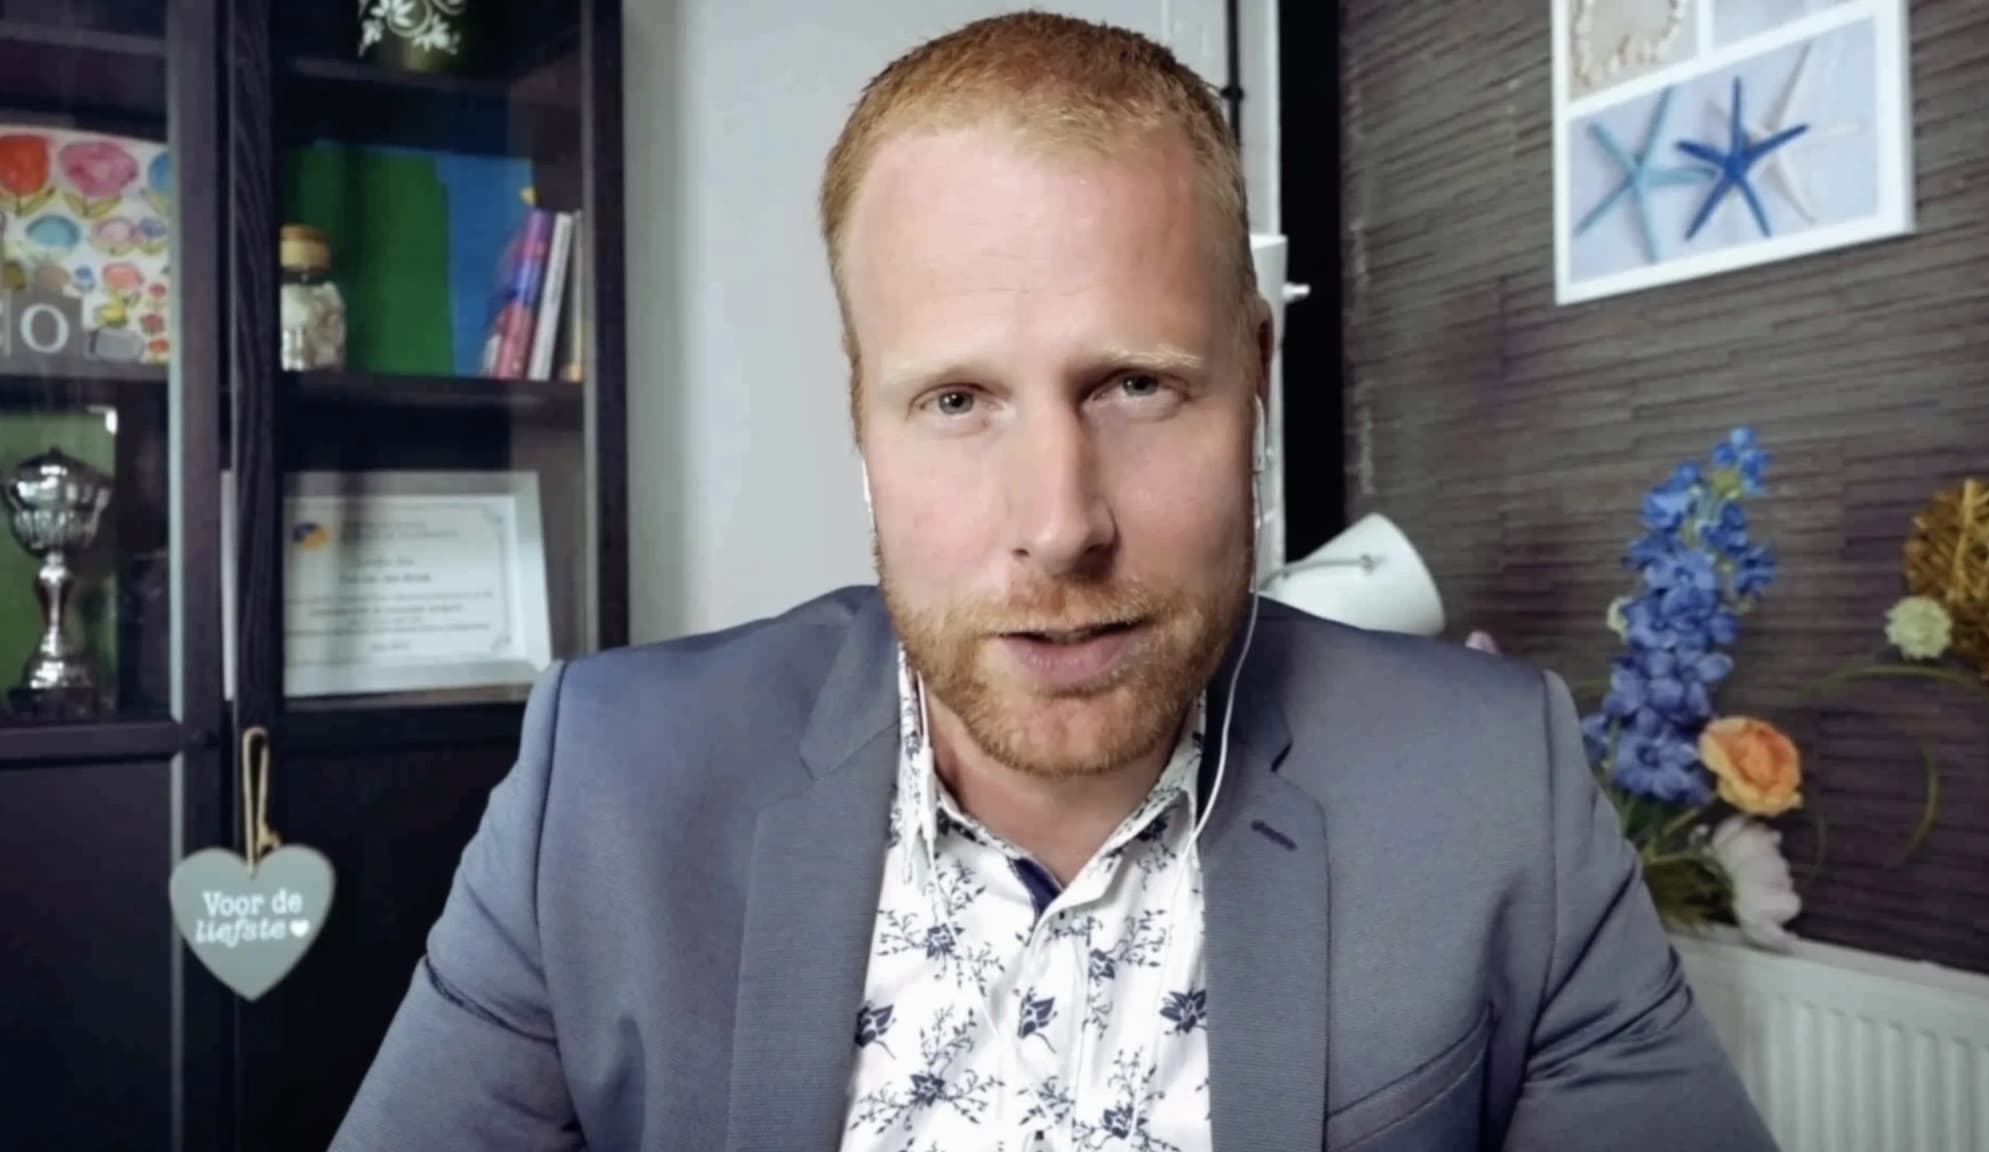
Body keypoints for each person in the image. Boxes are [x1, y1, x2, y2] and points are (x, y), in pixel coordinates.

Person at [331, 13, 1777, 1152]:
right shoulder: (608, 788)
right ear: (862, 423)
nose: (1062, 524)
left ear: (1256, 382)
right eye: (957, 401)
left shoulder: (1494, 784)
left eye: (1136, 384)